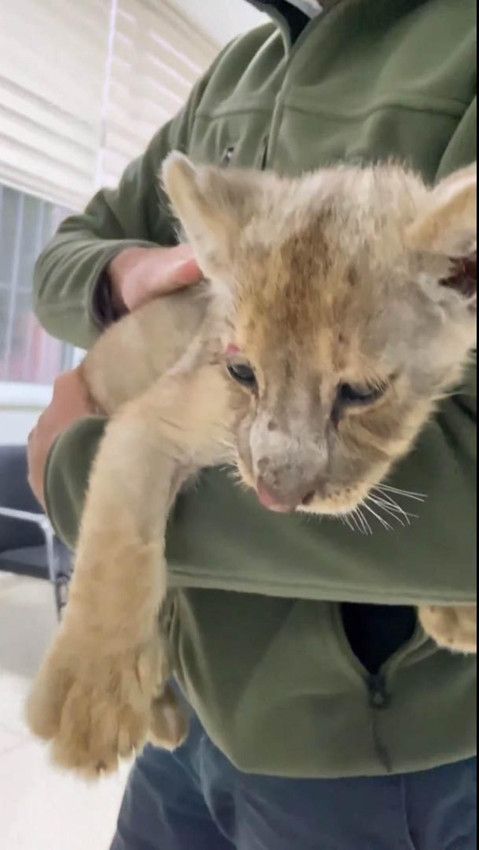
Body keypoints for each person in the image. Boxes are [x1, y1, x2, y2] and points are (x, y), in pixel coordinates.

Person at [28, 1, 476, 848]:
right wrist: (125, 277)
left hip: (361, 756)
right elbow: (63, 258)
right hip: (193, 702)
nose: (272, 486)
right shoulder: (237, 68)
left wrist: (67, 471)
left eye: (355, 389)